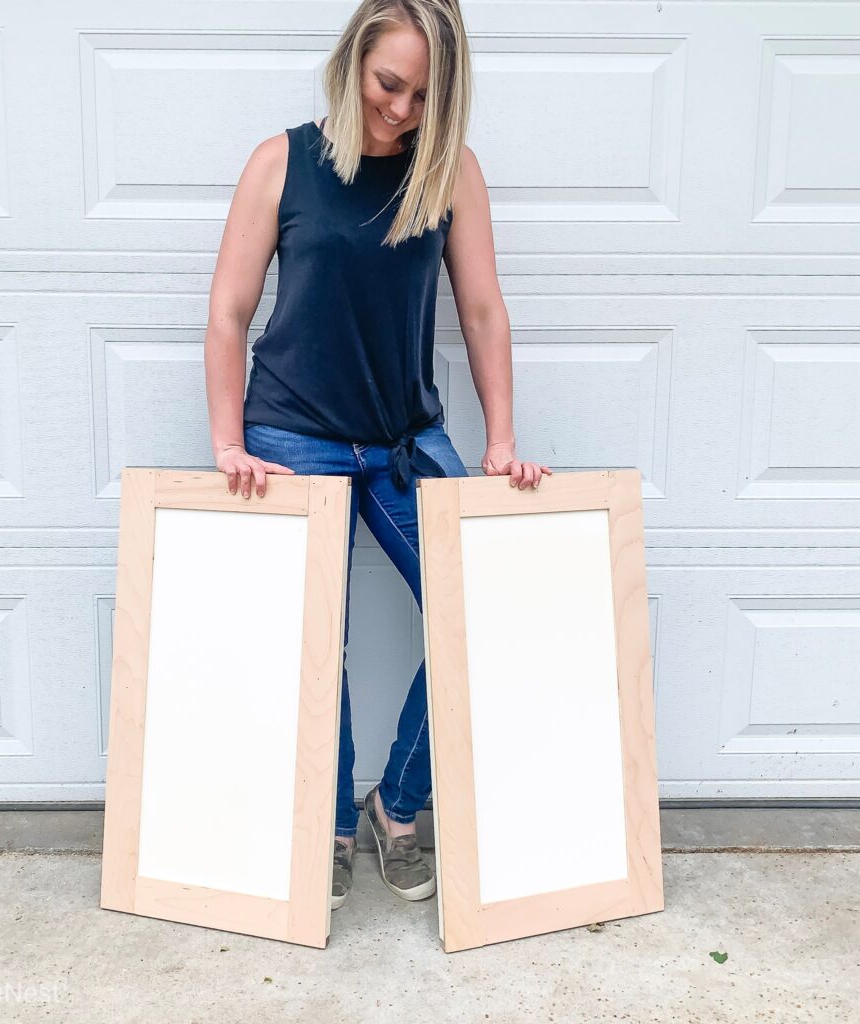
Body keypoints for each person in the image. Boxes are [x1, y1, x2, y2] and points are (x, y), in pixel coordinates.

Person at [204, 0, 551, 911]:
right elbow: (230, 313)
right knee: (320, 641)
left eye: (424, 97)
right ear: (353, 61)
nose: (400, 110)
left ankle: (397, 804)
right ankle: (329, 826)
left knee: (483, 604)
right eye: (388, 84)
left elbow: (481, 311)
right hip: (290, 436)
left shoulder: (451, 175)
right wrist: (229, 442)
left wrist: (502, 441)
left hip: (403, 438)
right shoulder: (280, 161)